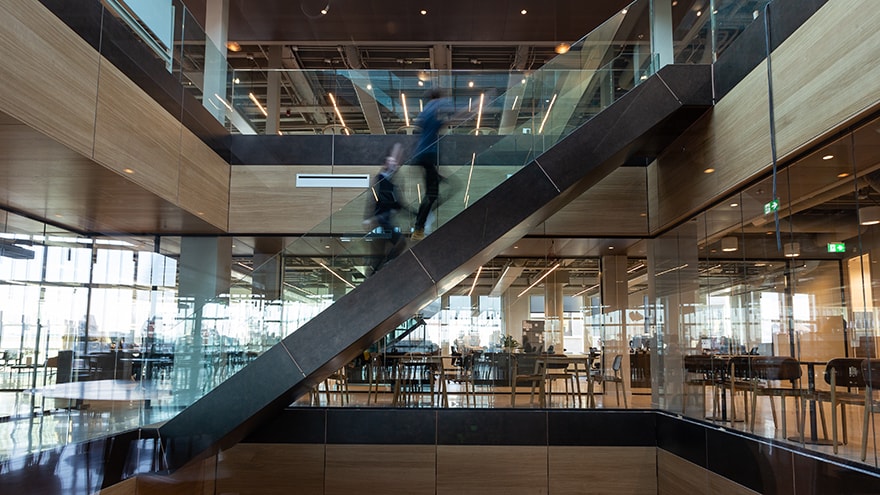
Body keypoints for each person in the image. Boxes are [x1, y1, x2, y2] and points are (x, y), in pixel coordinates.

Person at [410, 88, 451, 240]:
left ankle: (420, 224)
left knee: (433, 191)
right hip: (428, 155)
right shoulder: (436, 107)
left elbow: (420, 129)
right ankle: (419, 227)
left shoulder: (425, 110)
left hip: (423, 156)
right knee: (432, 194)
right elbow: (446, 120)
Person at [365, 144, 406, 274]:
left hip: (384, 221)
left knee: (379, 252)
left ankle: (377, 270)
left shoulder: (391, 180)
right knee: (400, 242)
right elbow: (376, 199)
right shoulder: (381, 178)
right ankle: (385, 265)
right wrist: (367, 218)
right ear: (386, 163)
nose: (394, 164)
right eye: (391, 161)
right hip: (381, 220)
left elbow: (396, 203)